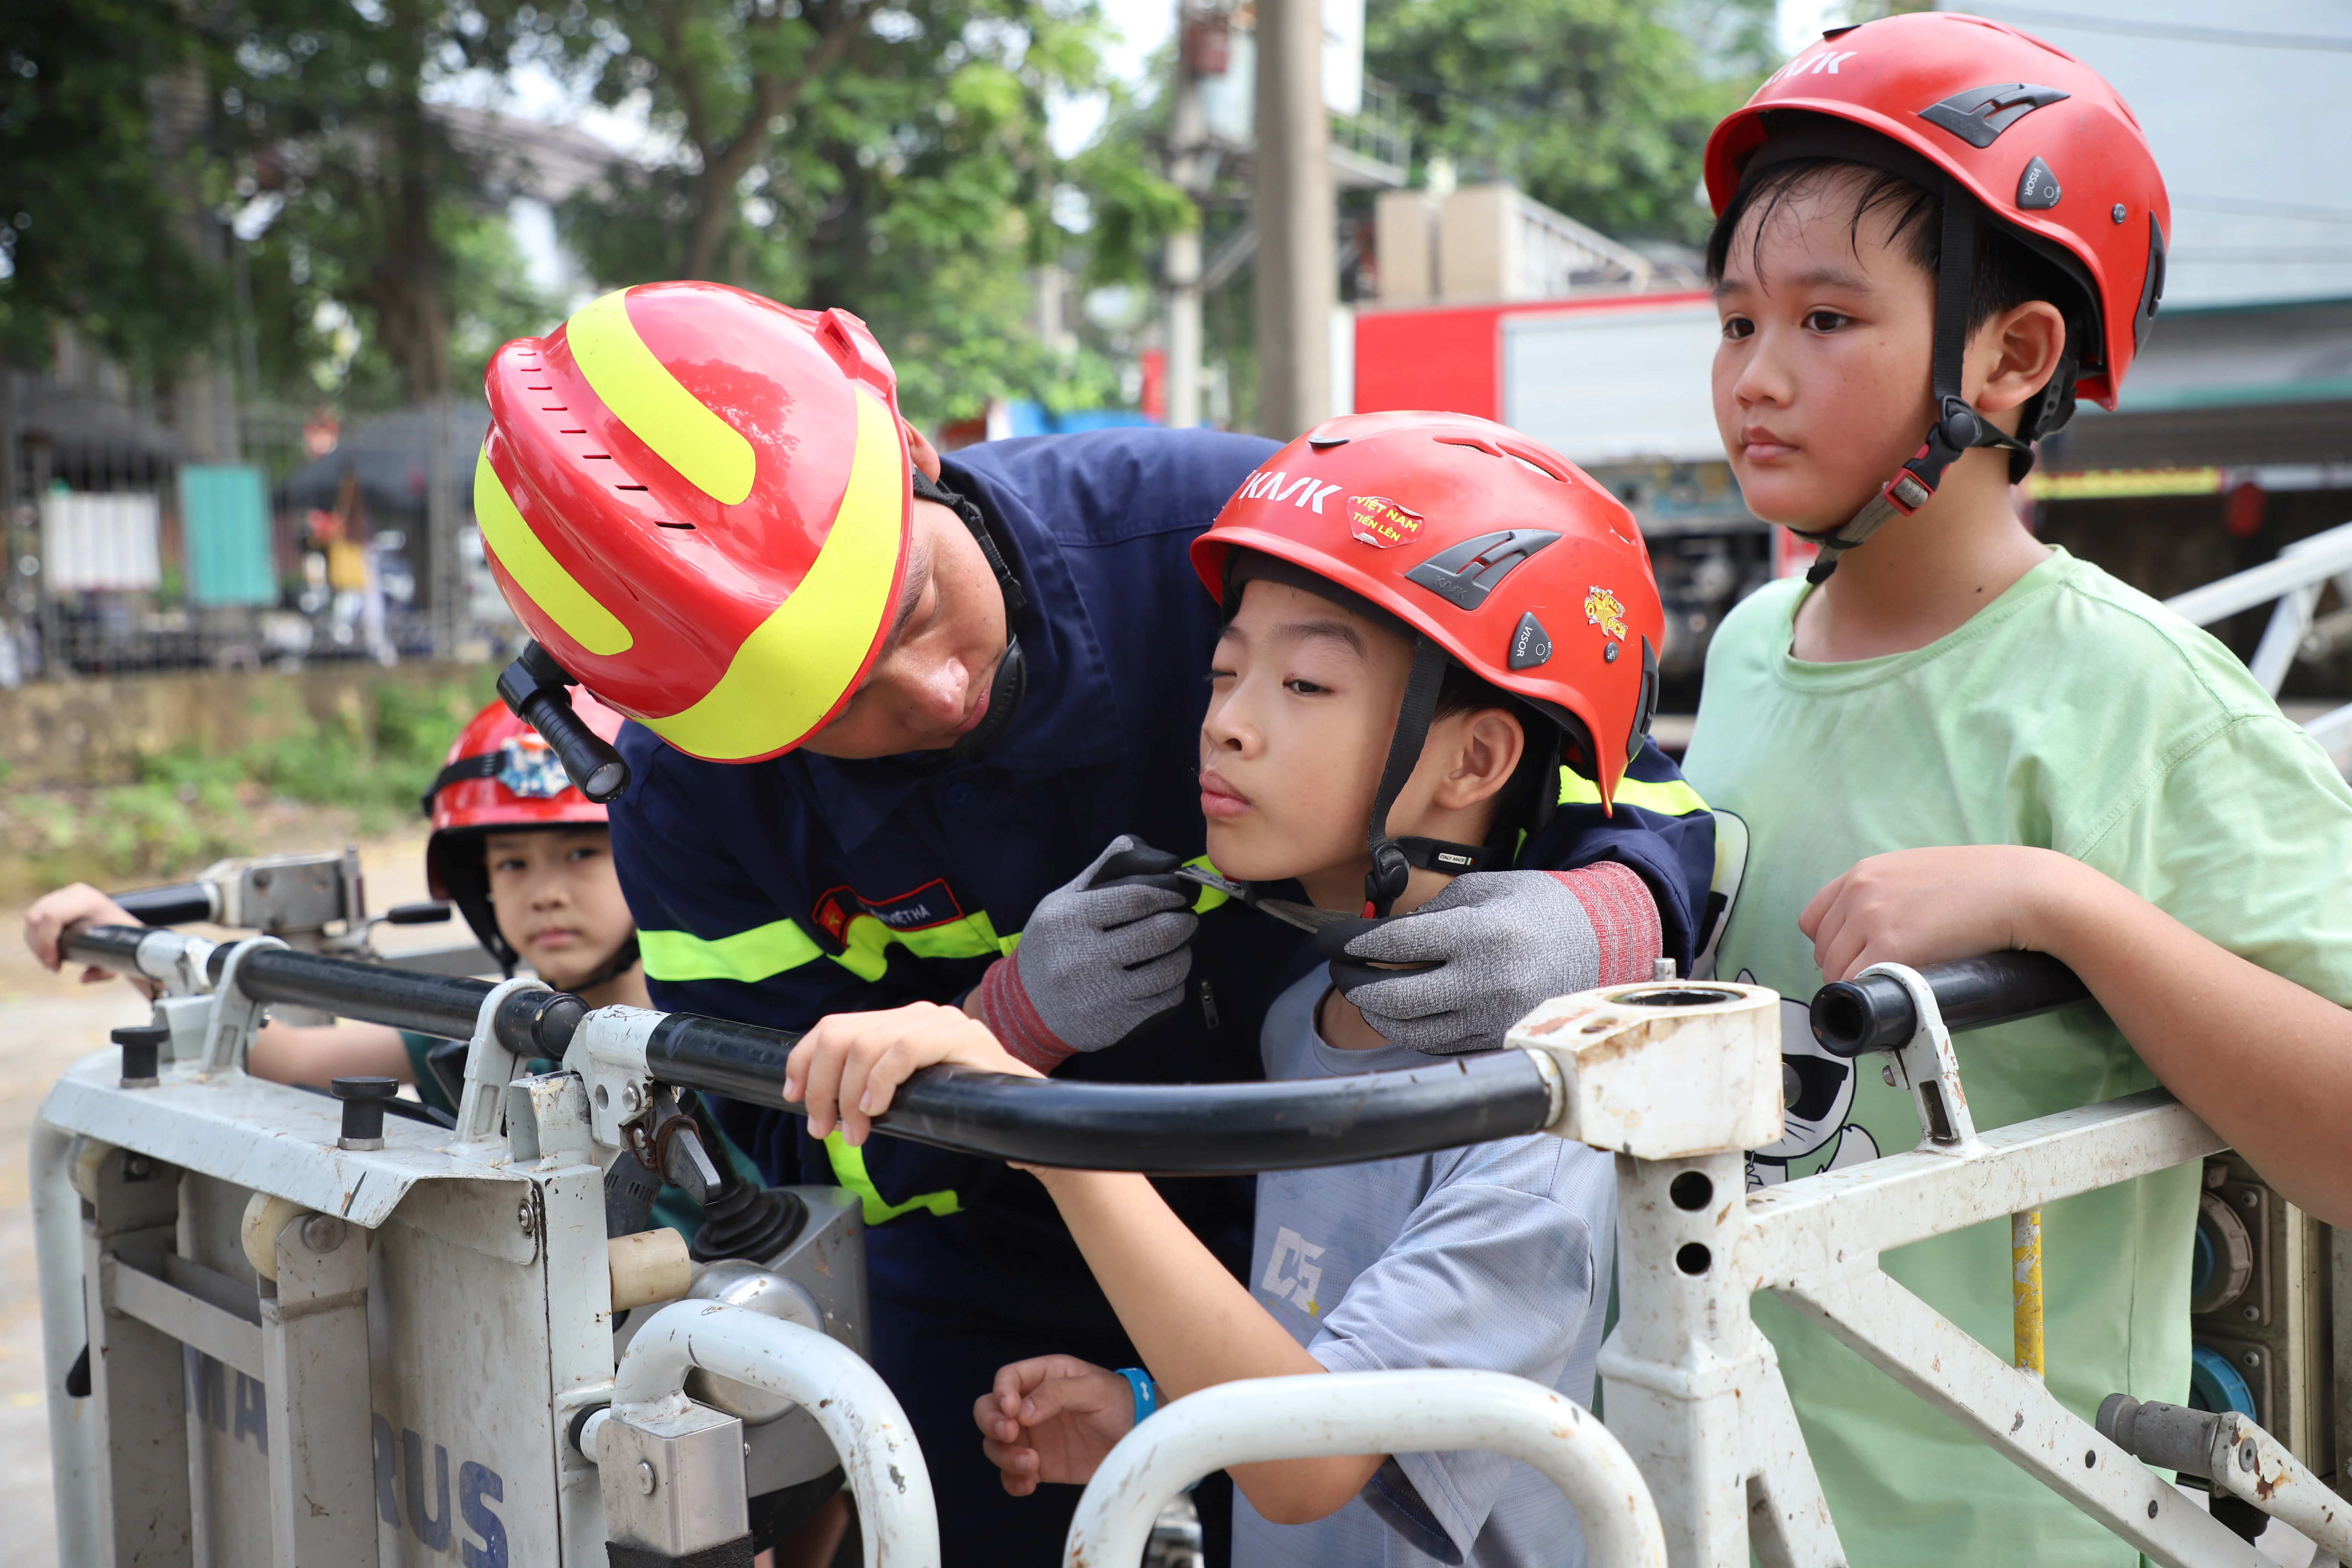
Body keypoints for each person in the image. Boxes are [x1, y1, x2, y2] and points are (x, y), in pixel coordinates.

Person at [473, 287, 1717, 1563]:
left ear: (911, 456)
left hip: (1349, 1173)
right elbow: (765, 1136)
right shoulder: (699, 804)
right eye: (840, 709)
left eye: (908, 610)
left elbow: (1608, 753)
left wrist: (1608, 911)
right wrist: (1004, 1035)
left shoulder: (1232, 540)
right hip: (992, 1254)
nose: (943, 689)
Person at [776, 410, 1687, 1566]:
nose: (1226, 727)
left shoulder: (1540, 1108)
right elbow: (1336, 1347)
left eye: (1305, 684)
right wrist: (1155, 1407)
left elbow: (1312, 1459)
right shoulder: (1300, 1024)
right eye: (1223, 672)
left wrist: (1048, 1128)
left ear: (1476, 760)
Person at [1679, 14, 2352, 1563]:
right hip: (1732, 1492)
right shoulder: (1756, 645)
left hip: (2026, 1519)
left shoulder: (2135, 694)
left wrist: (2061, 903)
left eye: (1828, 319)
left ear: (2014, 352)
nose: (1756, 377)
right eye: (1734, 323)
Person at [22, 694, 649, 1106]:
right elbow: (290, 1057)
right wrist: (138, 947)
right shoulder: (498, 1026)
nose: (545, 895)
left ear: (652, 856)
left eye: (580, 854)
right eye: (511, 863)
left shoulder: (715, 1032)